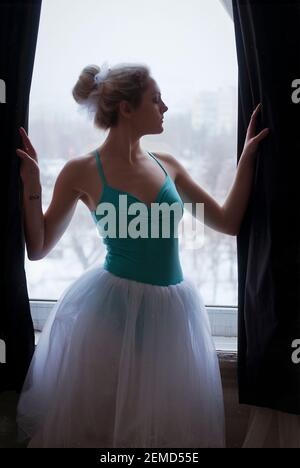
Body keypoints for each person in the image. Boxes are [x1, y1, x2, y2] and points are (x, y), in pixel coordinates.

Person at [16, 62, 269, 448]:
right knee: (102, 430)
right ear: (126, 109)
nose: (165, 107)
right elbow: (39, 247)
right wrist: (32, 185)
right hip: (110, 317)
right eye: (156, 99)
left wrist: (249, 155)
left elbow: (229, 221)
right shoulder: (81, 170)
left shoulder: (167, 166)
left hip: (170, 317)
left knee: (159, 435)